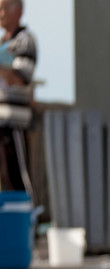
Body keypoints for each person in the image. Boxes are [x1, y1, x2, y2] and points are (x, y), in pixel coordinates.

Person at [0, 0, 35, 193]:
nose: (1, 14)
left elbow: (21, 77)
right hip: (1, 122)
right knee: (5, 179)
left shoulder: (25, 40)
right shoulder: (3, 42)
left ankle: (28, 218)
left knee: (19, 177)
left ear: (18, 11)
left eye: (4, 9)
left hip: (14, 122)